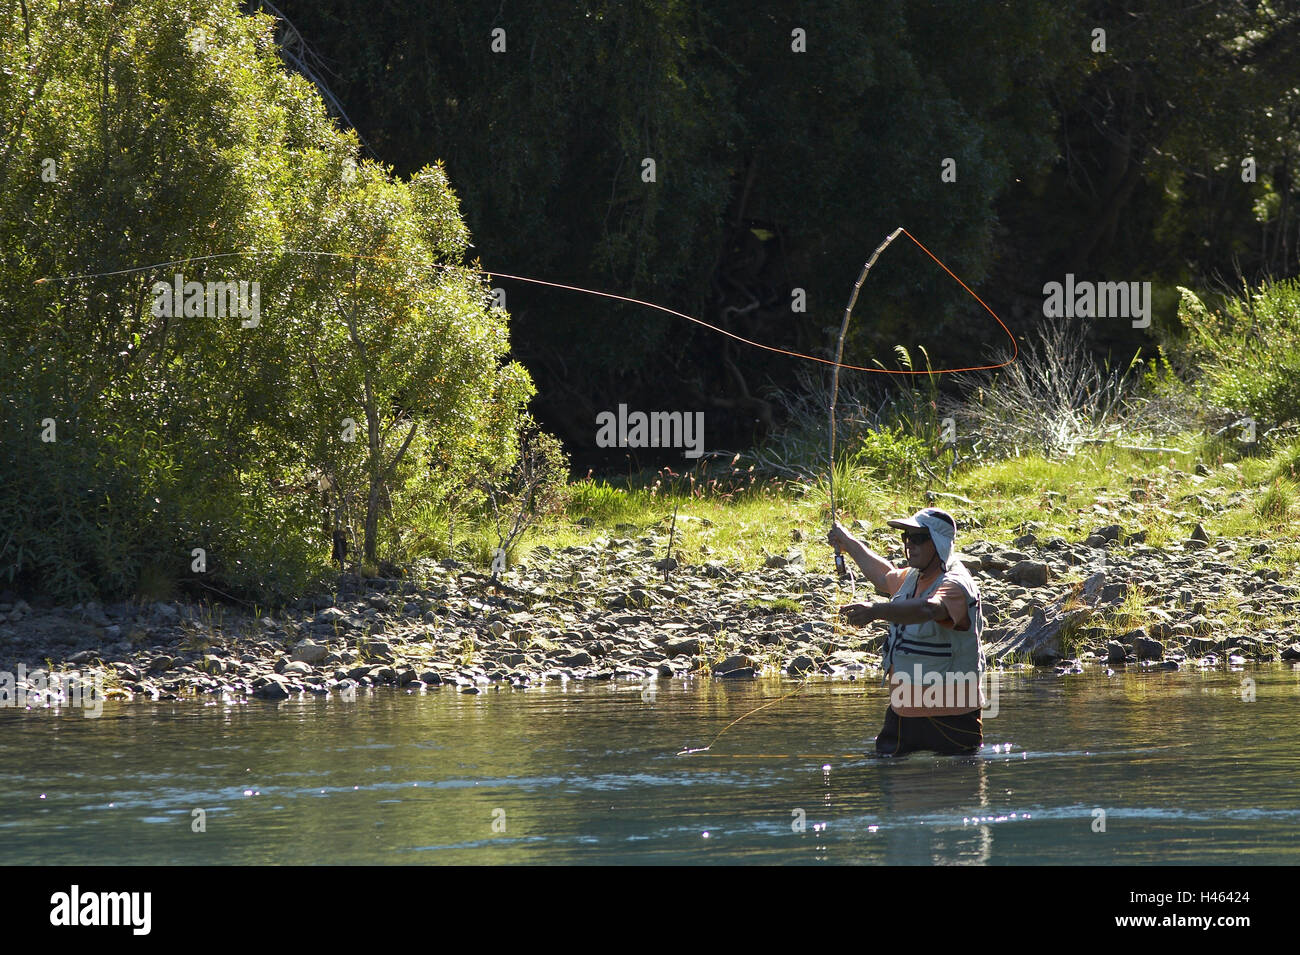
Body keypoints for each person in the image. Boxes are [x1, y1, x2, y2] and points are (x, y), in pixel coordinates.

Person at [827, 507, 986, 755]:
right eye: (906, 538)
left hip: (952, 719)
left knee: (957, 789)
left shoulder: (955, 583)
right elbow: (884, 576)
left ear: (939, 543)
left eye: (918, 538)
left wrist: (875, 610)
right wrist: (848, 543)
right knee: (893, 788)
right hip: (903, 713)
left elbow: (929, 609)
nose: (909, 544)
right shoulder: (914, 576)